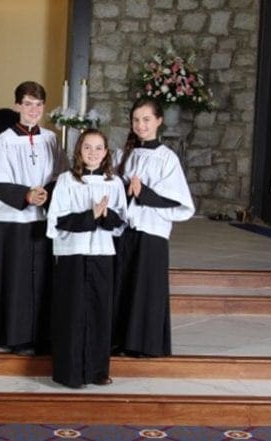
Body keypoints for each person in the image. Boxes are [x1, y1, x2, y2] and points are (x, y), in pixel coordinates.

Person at [0, 81, 68, 355]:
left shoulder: (51, 139)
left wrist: (47, 194)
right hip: (14, 221)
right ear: (18, 105)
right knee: (15, 279)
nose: (33, 110)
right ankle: (14, 335)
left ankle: (41, 335)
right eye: (27, 104)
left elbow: (62, 176)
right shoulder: (4, 140)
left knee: (42, 278)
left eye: (38, 105)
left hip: (42, 219)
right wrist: (26, 196)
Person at [112, 96, 195, 357]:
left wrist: (143, 192)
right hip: (125, 231)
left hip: (151, 233)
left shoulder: (166, 158)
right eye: (136, 120)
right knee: (123, 285)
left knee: (145, 288)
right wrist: (125, 190)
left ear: (158, 121)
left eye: (146, 120)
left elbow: (177, 198)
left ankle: (144, 345)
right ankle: (119, 340)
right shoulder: (122, 154)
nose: (141, 125)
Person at [46, 128, 126, 388]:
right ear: (79, 150)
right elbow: (56, 221)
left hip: (101, 254)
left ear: (106, 153)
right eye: (87, 147)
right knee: (71, 313)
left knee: (100, 312)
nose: (93, 153)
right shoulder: (67, 180)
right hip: (73, 254)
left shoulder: (114, 184)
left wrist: (104, 216)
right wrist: (90, 216)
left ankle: (97, 371)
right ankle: (70, 373)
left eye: (98, 148)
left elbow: (121, 224)